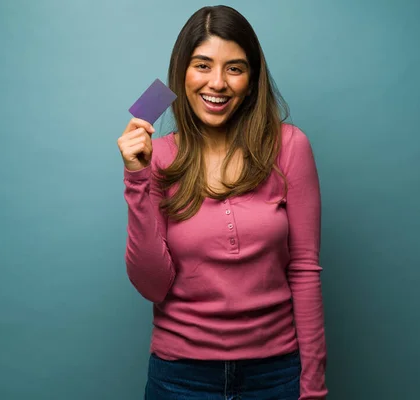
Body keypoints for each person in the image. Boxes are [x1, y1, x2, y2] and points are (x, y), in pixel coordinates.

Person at [117, 5, 327, 400]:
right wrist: (136, 179)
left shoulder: (290, 147)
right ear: (181, 73)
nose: (218, 83)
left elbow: (304, 269)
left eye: (234, 68)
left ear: (251, 80)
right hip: (180, 379)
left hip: (276, 375)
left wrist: (312, 386)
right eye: (202, 65)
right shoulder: (157, 157)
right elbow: (152, 286)